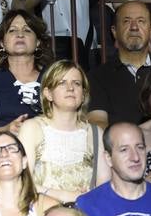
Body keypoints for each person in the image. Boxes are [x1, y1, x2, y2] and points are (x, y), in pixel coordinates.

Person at [18, 60, 102, 201]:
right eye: (62, 83)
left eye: (76, 83)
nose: (70, 88)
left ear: (83, 95)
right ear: (48, 94)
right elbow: (23, 183)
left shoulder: (94, 132)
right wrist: (66, 196)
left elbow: (104, 187)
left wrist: (88, 197)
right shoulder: (32, 128)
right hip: (41, 211)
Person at [0, 9, 52, 137]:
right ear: (2, 43)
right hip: (6, 149)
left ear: (38, 42)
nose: (20, 34)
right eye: (12, 30)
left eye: (27, 30)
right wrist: (3, 130)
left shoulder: (53, 77)